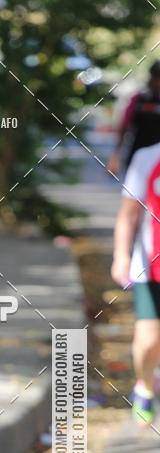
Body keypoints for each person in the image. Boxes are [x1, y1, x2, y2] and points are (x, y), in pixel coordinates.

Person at [111, 139, 160, 426]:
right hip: (151, 266)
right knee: (149, 339)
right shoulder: (147, 157)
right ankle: (145, 384)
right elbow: (128, 214)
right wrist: (121, 255)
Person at [107, 62, 160, 178]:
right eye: (156, 78)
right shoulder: (138, 99)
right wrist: (115, 156)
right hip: (138, 153)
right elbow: (123, 127)